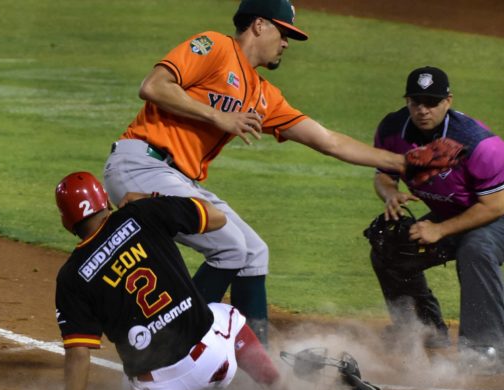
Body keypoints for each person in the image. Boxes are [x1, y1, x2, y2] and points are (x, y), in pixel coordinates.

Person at [103, 0, 406, 344]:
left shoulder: (264, 95)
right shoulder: (215, 46)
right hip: (141, 164)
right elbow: (154, 86)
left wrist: (400, 163)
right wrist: (218, 116)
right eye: (285, 32)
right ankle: (173, 343)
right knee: (229, 245)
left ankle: (256, 363)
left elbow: (329, 141)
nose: (287, 42)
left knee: (253, 251)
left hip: (176, 179)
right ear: (259, 25)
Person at [53, 171, 282, 390]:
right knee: (225, 313)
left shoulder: (70, 278)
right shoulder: (141, 212)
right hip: (213, 360)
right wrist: (151, 198)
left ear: (66, 222)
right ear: (105, 201)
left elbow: (78, 354)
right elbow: (217, 219)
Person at [370, 66, 504, 357]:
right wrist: (390, 193)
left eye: (432, 103)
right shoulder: (393, 129)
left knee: (476, 249)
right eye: (416, 101)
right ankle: (424, 330)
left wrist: (440, 230)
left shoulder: (479, 143)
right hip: (454, 212)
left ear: (448, 101)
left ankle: (485, 348)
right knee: (391, 246)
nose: (423, 110)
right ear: (406, 101)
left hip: (496, 213)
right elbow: (383, 174)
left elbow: (495, 205)